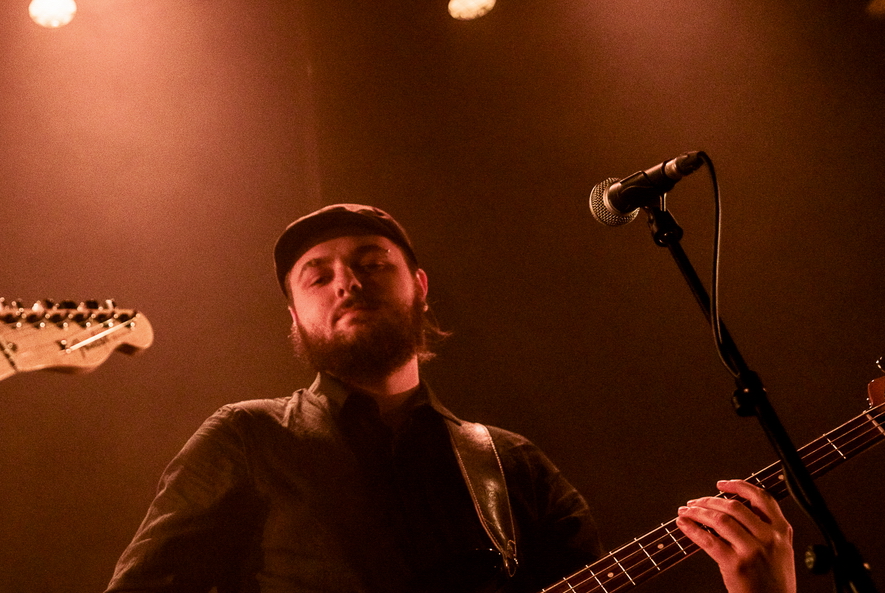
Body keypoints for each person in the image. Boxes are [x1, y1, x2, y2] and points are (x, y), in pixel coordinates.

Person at [103, 204, 795, 593]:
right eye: (318, 275)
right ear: (293, 317)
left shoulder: (512, 466)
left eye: (372, 263)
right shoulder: (248, 438)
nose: (347, 281)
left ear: (420, 285)